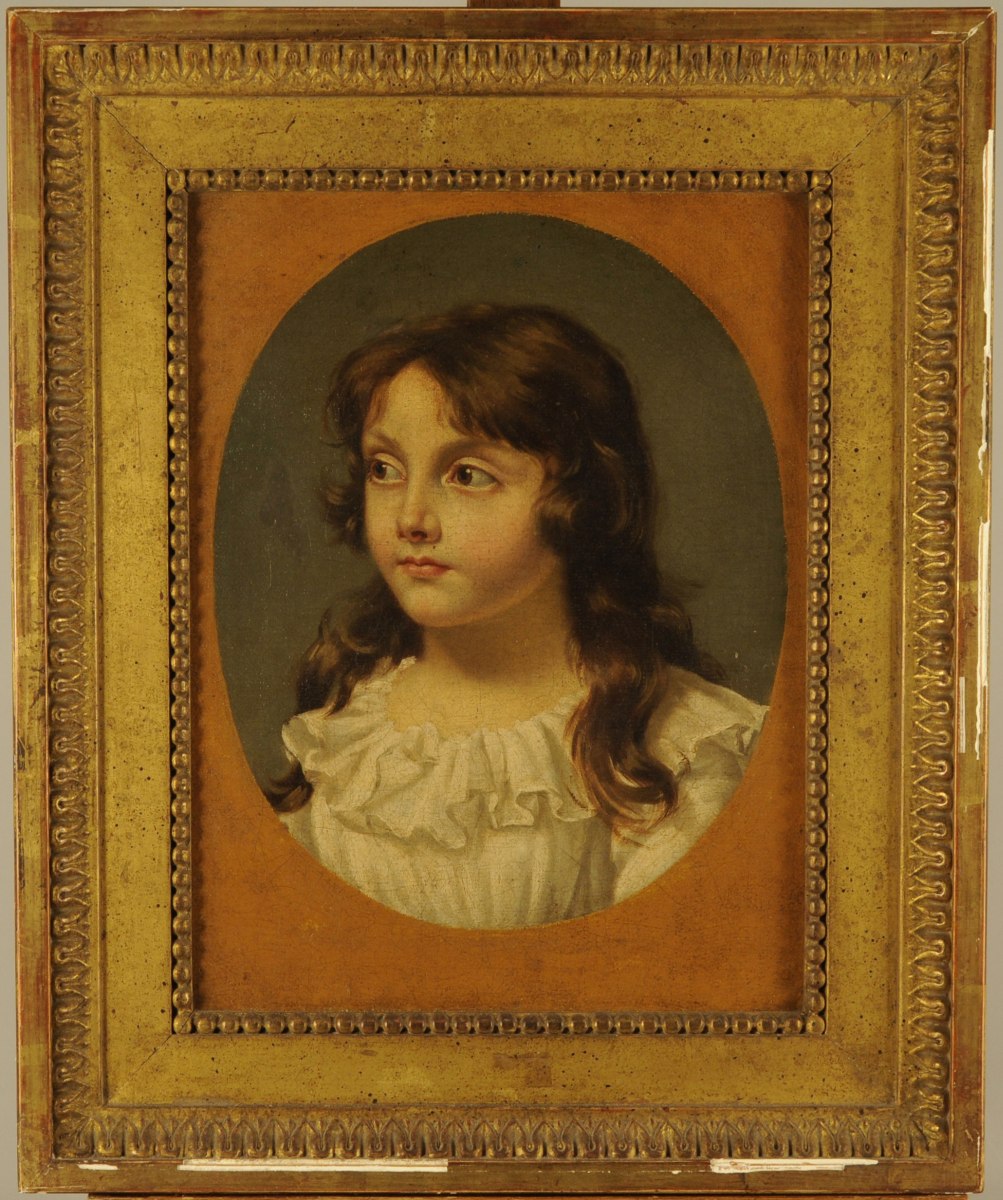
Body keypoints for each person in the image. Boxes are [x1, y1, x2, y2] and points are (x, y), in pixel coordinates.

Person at [268, 303, 767, 929]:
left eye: (467, 475)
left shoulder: (671, 744)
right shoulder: (341, 728)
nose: (411, 518)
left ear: (578, 501)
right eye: (384, 469)